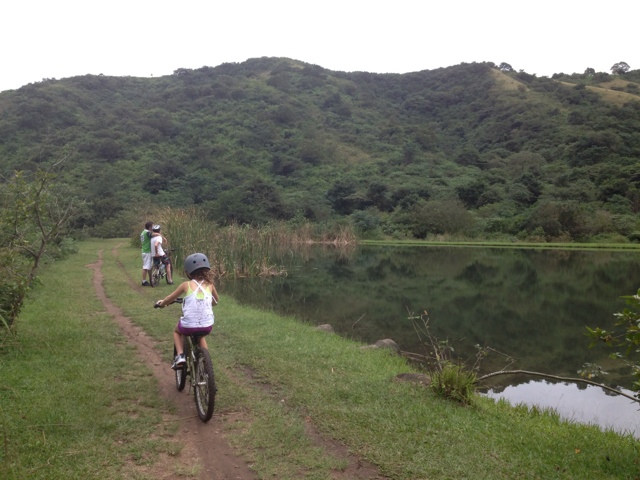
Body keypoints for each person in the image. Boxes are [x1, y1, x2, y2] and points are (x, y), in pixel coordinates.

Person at [155, 253, 219, 369]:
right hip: (207, 326)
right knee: (200, 336)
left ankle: (180, 356)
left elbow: (170, 298)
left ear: (188, 273)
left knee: (177, 332)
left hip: (188, 326)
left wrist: (162, 303)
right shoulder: (210, 285)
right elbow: (215, 301)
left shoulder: (186, 285)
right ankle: (206, 363)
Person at [140, 221, 155, 286]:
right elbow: (153, 235)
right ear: (149, 227)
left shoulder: (143, 232)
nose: (153, 228)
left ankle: (150, 279)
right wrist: (159, 234)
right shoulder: (147, 233)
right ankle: (144, 281)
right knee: (145, 267)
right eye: (152, 226)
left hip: (145, 251)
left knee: (148, 266)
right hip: (147, 251)